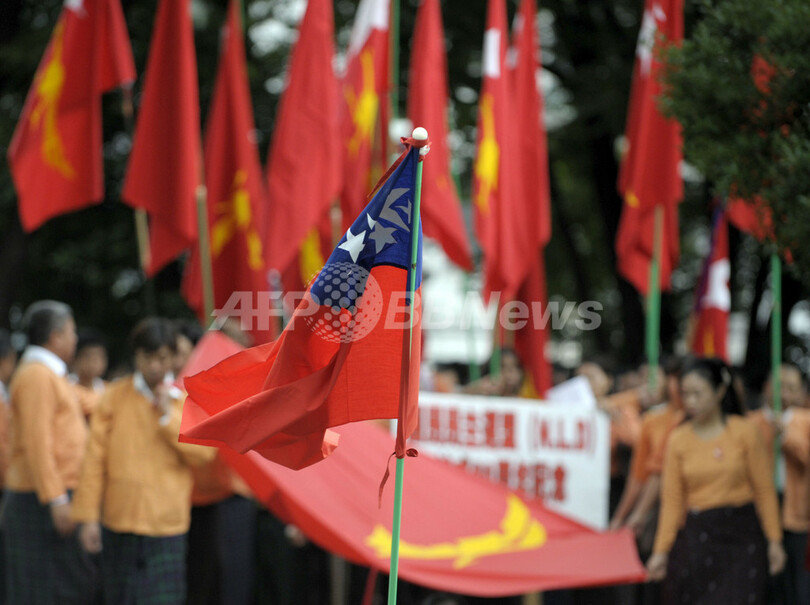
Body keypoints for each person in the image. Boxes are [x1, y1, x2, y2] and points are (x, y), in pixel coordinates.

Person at [71, 317, 215, 604]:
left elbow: (205, 454)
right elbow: (93, 461)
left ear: (173, 358)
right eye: (147, 357)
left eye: (162, 357)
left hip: (166, 524)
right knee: (120, 598)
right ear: (136, 355)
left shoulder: (185, 400)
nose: (154, 366)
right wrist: (87, 518)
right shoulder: (113, 397)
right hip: (119, 520)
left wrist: (167, 417)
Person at [646, 357, 786, 604]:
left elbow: (764, 490)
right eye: (685, 394)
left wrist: (774, 541)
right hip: (698, 537)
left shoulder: (745, 432)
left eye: (698, 394)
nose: (691, 402)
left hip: (742, 536)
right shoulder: (678, 439)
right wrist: (661, 551)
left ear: (720, 391)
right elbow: (672, 501)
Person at [3, 300, 99, 603]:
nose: (75, 339)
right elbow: (37, 443)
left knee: (60, 587)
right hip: (41, 497)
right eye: (71, 332)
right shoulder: (36, 375)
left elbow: (92, 402)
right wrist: (56, 499)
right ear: (55, 337)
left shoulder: (49, 374)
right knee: (44, 590)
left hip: (49, 493)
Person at [69, 328, 108, 419]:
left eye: (99, 356)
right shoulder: (66, 385)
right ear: (76, 359)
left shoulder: (108, 389)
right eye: (89, 356)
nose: (94, 362)